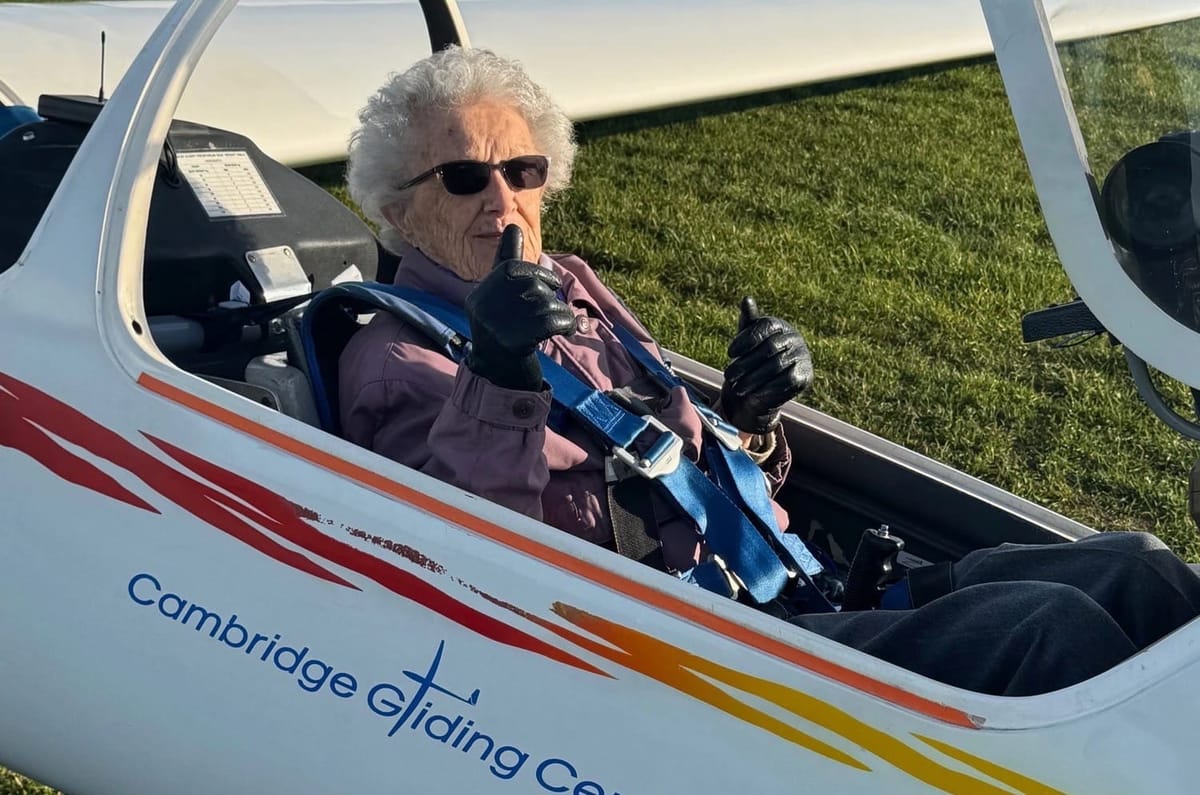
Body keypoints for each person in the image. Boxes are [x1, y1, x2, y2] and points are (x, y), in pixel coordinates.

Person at [338, 46, 1200, 697]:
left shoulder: (565, 286)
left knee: (1137, 564)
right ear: (394, 210)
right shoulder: (396, 358)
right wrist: (496, 373)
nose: (502, 200)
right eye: (462, 177)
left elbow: (668, 459)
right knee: (1055, 633)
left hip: (789, 585)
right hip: (676, 655)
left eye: (522, 170)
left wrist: (747, 422)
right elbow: (467, 576)